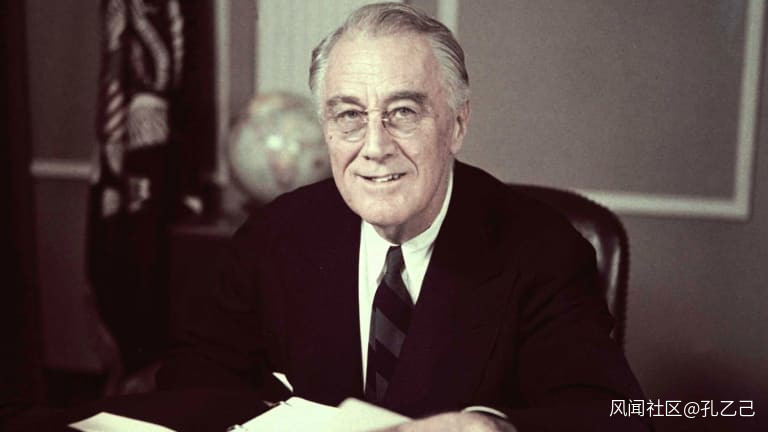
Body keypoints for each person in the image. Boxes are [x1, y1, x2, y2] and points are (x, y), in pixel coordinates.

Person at [158, 3, 650, 431]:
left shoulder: (543, 249)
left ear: (457, 124)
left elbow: (612, 415)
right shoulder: (274, 235)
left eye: (404, 112)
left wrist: (495, 426)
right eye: (350, 115)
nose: (375, 147)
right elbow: (192, 381)